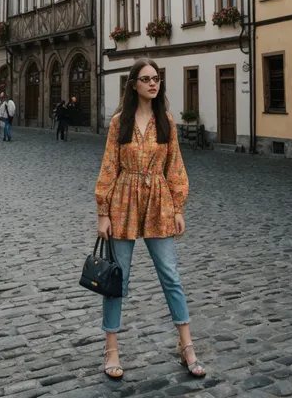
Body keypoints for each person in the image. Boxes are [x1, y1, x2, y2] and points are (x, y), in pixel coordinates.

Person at [95, 58, 206, 380]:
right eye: (145, 79)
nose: (152, 84)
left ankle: (186, 345)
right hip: (123, 201)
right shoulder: (119, 122)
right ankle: (111, 348)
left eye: (156, 79)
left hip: (158, 200)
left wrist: (178, 207)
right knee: (118, 280)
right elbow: (108, 167)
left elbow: (175, 167)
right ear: (133, 85)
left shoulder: (167, 121)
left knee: (171, 275)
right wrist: (103, 212)